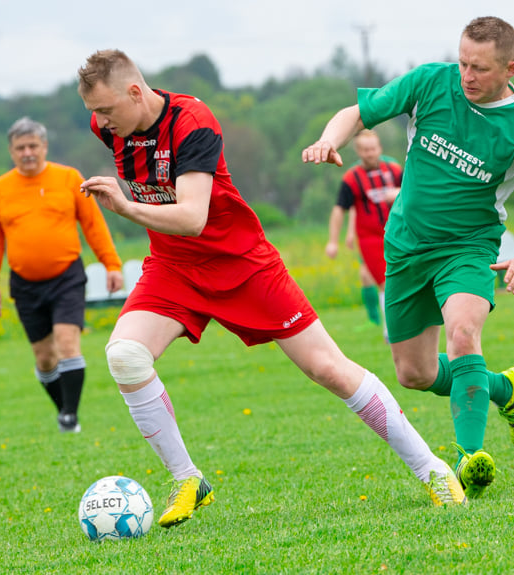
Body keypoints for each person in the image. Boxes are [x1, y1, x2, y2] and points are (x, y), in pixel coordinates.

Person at [76, 49, 467, 528]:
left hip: (241, 263)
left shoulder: (192, 121)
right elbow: (173, 222)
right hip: (174, 267)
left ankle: (434, 470)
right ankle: (187, 480)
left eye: (107, 110)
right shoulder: (110, 127)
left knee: (331, 370)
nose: (100, 122)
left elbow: (194, 217)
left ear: (136, 92)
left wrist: (125, 206)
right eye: (94, 113)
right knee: (124, 356)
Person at [303, 16, 514, 498]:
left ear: (510, 69)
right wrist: (330, 139)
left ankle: (469, 458)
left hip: (468, 248)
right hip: (406, 245)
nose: (467, 76)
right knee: (415, 373)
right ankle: (504, 389)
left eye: (481, 69)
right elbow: (356, 113)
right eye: (463, 62)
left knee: (464, 333)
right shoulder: (432, 82)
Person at [0, 117, 124, 433]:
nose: (28, 152)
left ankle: (70, 417)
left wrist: (111, 264)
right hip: (25, 282)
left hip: (66, 277)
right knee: (45, 357)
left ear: (44, 146)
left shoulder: (68, 178)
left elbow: (93, 225)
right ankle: (64, 410)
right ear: (11, 151)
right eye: (21, 148)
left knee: (67, 341)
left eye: (33, 145)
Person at [325, 129, 400, 340]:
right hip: (370, 239)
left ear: (380, 148)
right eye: (365, 150)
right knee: (386, 281)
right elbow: (339, 209)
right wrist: (333, 241)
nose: (370, 153)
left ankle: (397, 325)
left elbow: (415, 192)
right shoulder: (351, 178)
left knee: (403, 279)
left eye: (373, 149)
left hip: (398, 232)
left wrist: (399, 193)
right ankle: (390, 330)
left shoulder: (394, 170)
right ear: (359, 152)